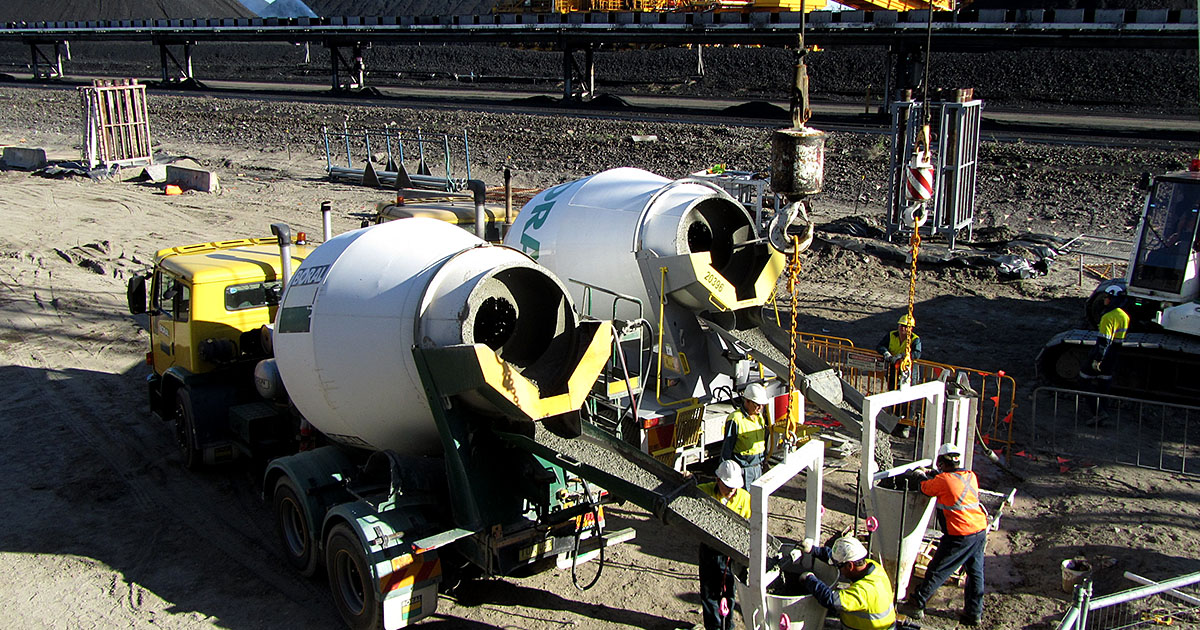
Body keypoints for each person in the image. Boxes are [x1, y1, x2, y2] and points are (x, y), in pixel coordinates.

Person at [900, 443, 988, 626]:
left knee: (938, 569)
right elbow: (949, 483)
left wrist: (920, 475)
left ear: (941, 462)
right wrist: (935, 475)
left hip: (960, 535)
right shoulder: (970, 476)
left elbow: (924, 487)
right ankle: (974, 613)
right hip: (979, 531)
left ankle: (917, 603)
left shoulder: (943, 481)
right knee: (975, 573)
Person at [797, 536, 897, 630]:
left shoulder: (864, 592)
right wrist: (814, 550)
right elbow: (838, 559)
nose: (839, 570)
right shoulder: (873, 567)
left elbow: (830, 600)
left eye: (840, 567)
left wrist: (809, 579)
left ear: (850, 566)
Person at [697, 460, 752, 630]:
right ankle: (713, 627)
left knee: (729, 592)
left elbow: (750, 526)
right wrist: (687, 478)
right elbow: (688, 490)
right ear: (718, 480)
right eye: (727, 485)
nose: (731, 490)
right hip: (709, 550)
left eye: (734, 486)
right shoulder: (705, 491)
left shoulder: (745, 498)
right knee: (709, 592)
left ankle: (728, 626)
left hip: (731, 554)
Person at [1084, 284, 1129, 422]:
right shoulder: (1124, 316)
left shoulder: (1108, 317)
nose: (1105, 300)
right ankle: (1103, 410)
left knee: (1084, 379)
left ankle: (1097, 411)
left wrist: (1098, 359)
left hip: (1103, 354)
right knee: (1104, 382)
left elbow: (1104, 342)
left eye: (1107, 297)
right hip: (1114, 353)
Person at [720, 383, 770, 489]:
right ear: (747, 401)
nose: (760, 408)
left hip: (758, 466)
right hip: (743, 469)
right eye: (757, 404)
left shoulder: (759, 417)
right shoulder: (735, 419)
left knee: (757, 499)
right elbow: (727, 449)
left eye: (762, 405)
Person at [876, 313, 922, 388]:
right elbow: (880, 346)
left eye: (906, 326)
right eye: (901, 325)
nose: (902, 328)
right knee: (892, 387)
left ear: (911, 328)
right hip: (893, 366)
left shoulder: (915, 339)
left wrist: (902, 356)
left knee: (908, 389)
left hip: (909, 368)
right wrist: (886, 353)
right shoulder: (891, 335)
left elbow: (917, 353)